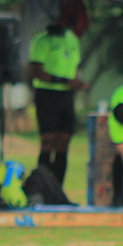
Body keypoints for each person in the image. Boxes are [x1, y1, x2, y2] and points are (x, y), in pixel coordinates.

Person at [28, 20, 86, 188]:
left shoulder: (72, 39)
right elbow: (36, 71)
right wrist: (61, 80)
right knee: (47, 141)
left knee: (63, 141)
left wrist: (78, 82)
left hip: (66, 95)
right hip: (47, 94)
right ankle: (41, 187)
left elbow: (76, 67)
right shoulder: (41, 40)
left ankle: (57, 189)